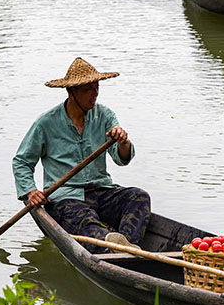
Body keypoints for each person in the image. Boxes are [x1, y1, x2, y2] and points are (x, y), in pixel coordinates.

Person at [13, 57, 150, 249]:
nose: (94, 94)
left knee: (139, 197)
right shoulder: (46, 123)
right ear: (71, 91)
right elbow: (22, 162)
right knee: (84, 219)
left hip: (101, 191)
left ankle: (126, 247)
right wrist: (30, 191)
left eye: (97, 87)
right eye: (88, 89)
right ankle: (110, 245)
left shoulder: (104, 115)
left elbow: (122, 158)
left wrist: (123, 142)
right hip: (66, 198)